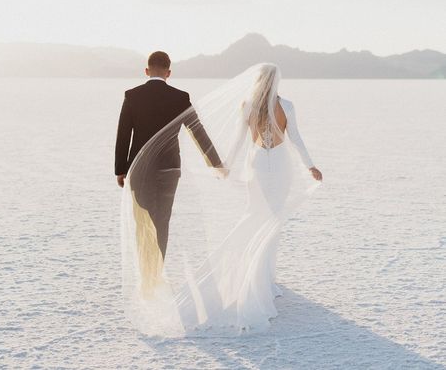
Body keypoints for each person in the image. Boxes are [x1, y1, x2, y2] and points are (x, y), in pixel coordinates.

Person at [120, 61, 323, 335]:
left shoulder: (247, 105)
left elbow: (239, 139)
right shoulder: (286, 105)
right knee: (272, 221)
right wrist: (310, 166)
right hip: (280, 167)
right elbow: (295, 138)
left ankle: (154, 278)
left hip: (256, 167)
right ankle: (264, 279)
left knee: (255, 217)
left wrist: (223, 165)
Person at [115, 51, 226, 296]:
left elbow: (124, 134)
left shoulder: (132, 96)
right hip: (169, 168)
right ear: (168, 72)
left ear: (146, 71)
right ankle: (155, 276)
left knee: (142, 222)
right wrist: (215, 163)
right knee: (161, 222)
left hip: (139, 170)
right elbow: (198, 131)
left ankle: (146, 278)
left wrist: (120, 169)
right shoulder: (180, 97)